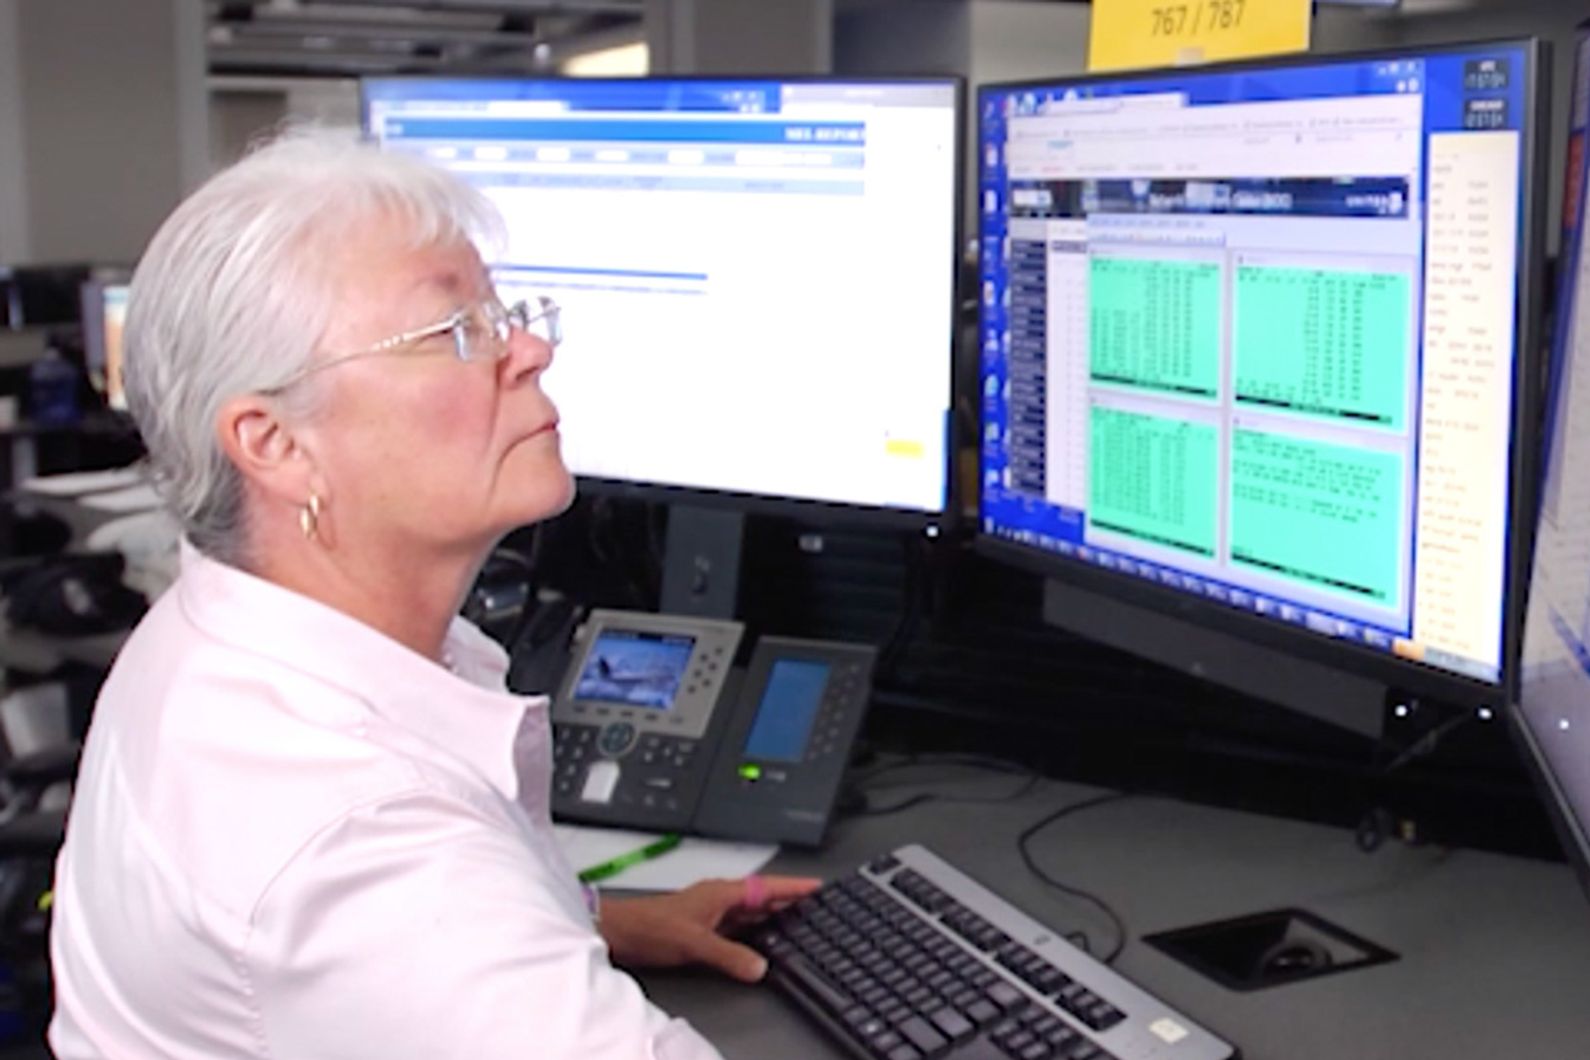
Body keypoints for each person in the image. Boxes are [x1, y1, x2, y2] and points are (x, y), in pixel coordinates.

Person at [48, 129, 820, 1058]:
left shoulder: (216, 628)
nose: (531, 349)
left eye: (506, 313)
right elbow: (378, 906)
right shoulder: (355, 835)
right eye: (458, 332)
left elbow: (361, 960)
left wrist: (591, 924)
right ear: (276, 443)